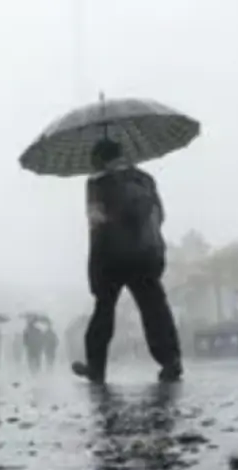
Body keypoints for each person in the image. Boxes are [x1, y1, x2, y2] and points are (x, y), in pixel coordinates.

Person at [72, 138, 183, 384]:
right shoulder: (144, 179)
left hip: (110, 257)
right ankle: (170, 361)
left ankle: (96, 368)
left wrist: (95, 271)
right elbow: (159, 215)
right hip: (145, 255)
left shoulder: (96, 182)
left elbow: (97, 223)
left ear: (100, 158)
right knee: (155, 310)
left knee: (103, 311)